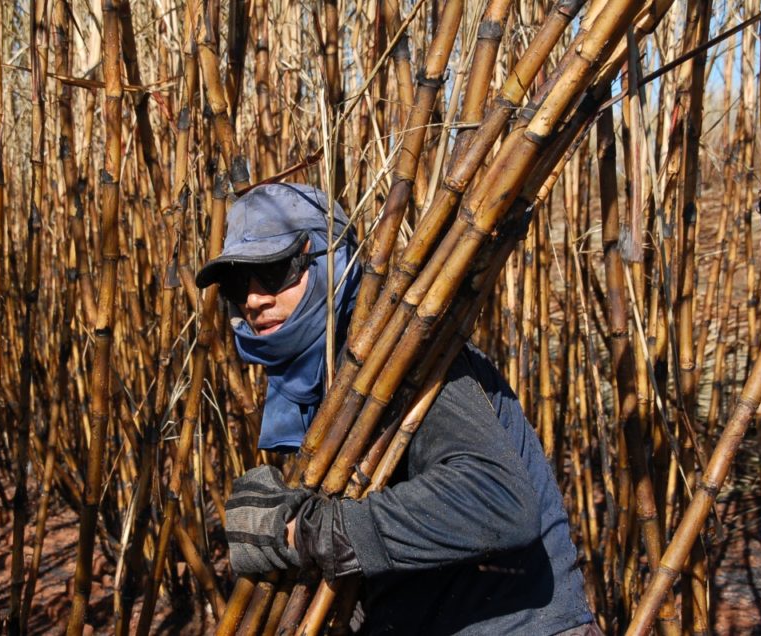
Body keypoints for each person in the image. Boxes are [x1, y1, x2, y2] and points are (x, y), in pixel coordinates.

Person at [195, 183, 598, 634]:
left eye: (274, 272)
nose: (253, 299)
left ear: (331, 262)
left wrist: (306, 532)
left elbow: (497, 500)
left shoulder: (402, 354)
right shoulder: (316, 375)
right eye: (236, 284)